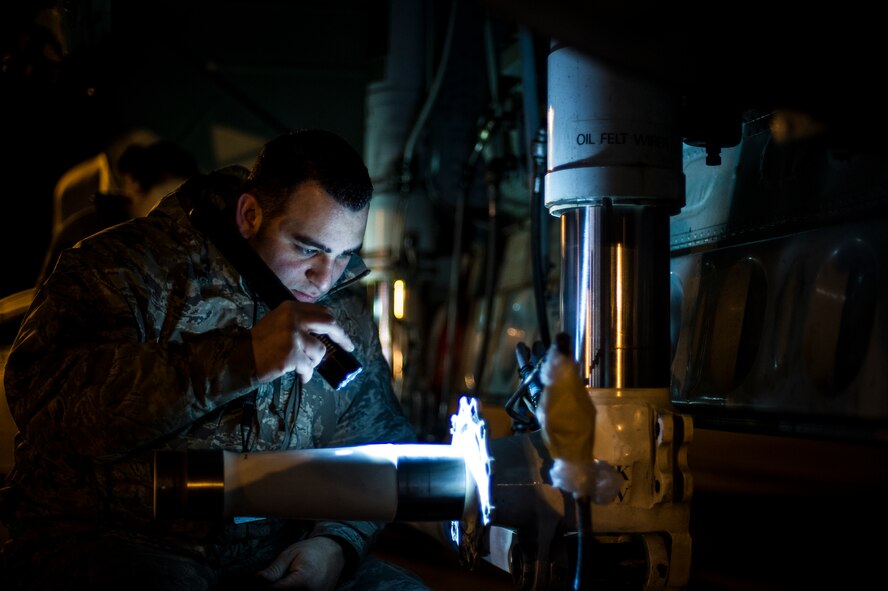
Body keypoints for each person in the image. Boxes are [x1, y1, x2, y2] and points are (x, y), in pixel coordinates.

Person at [0, 128, 430, 590]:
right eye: (308, 248)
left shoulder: (342, 309)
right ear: (249, 214)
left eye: (345, 254)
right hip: (110, 541)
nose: (325, 278)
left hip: (273, 555)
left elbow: (379, 446)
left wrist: (336, 545)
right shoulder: (125, 269)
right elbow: (49, 411)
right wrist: (240, 359)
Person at [35, 138, 200, 286]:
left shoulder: (176, 241)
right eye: (167, 199)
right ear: (135, 186)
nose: (174, 212)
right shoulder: (89, 233)